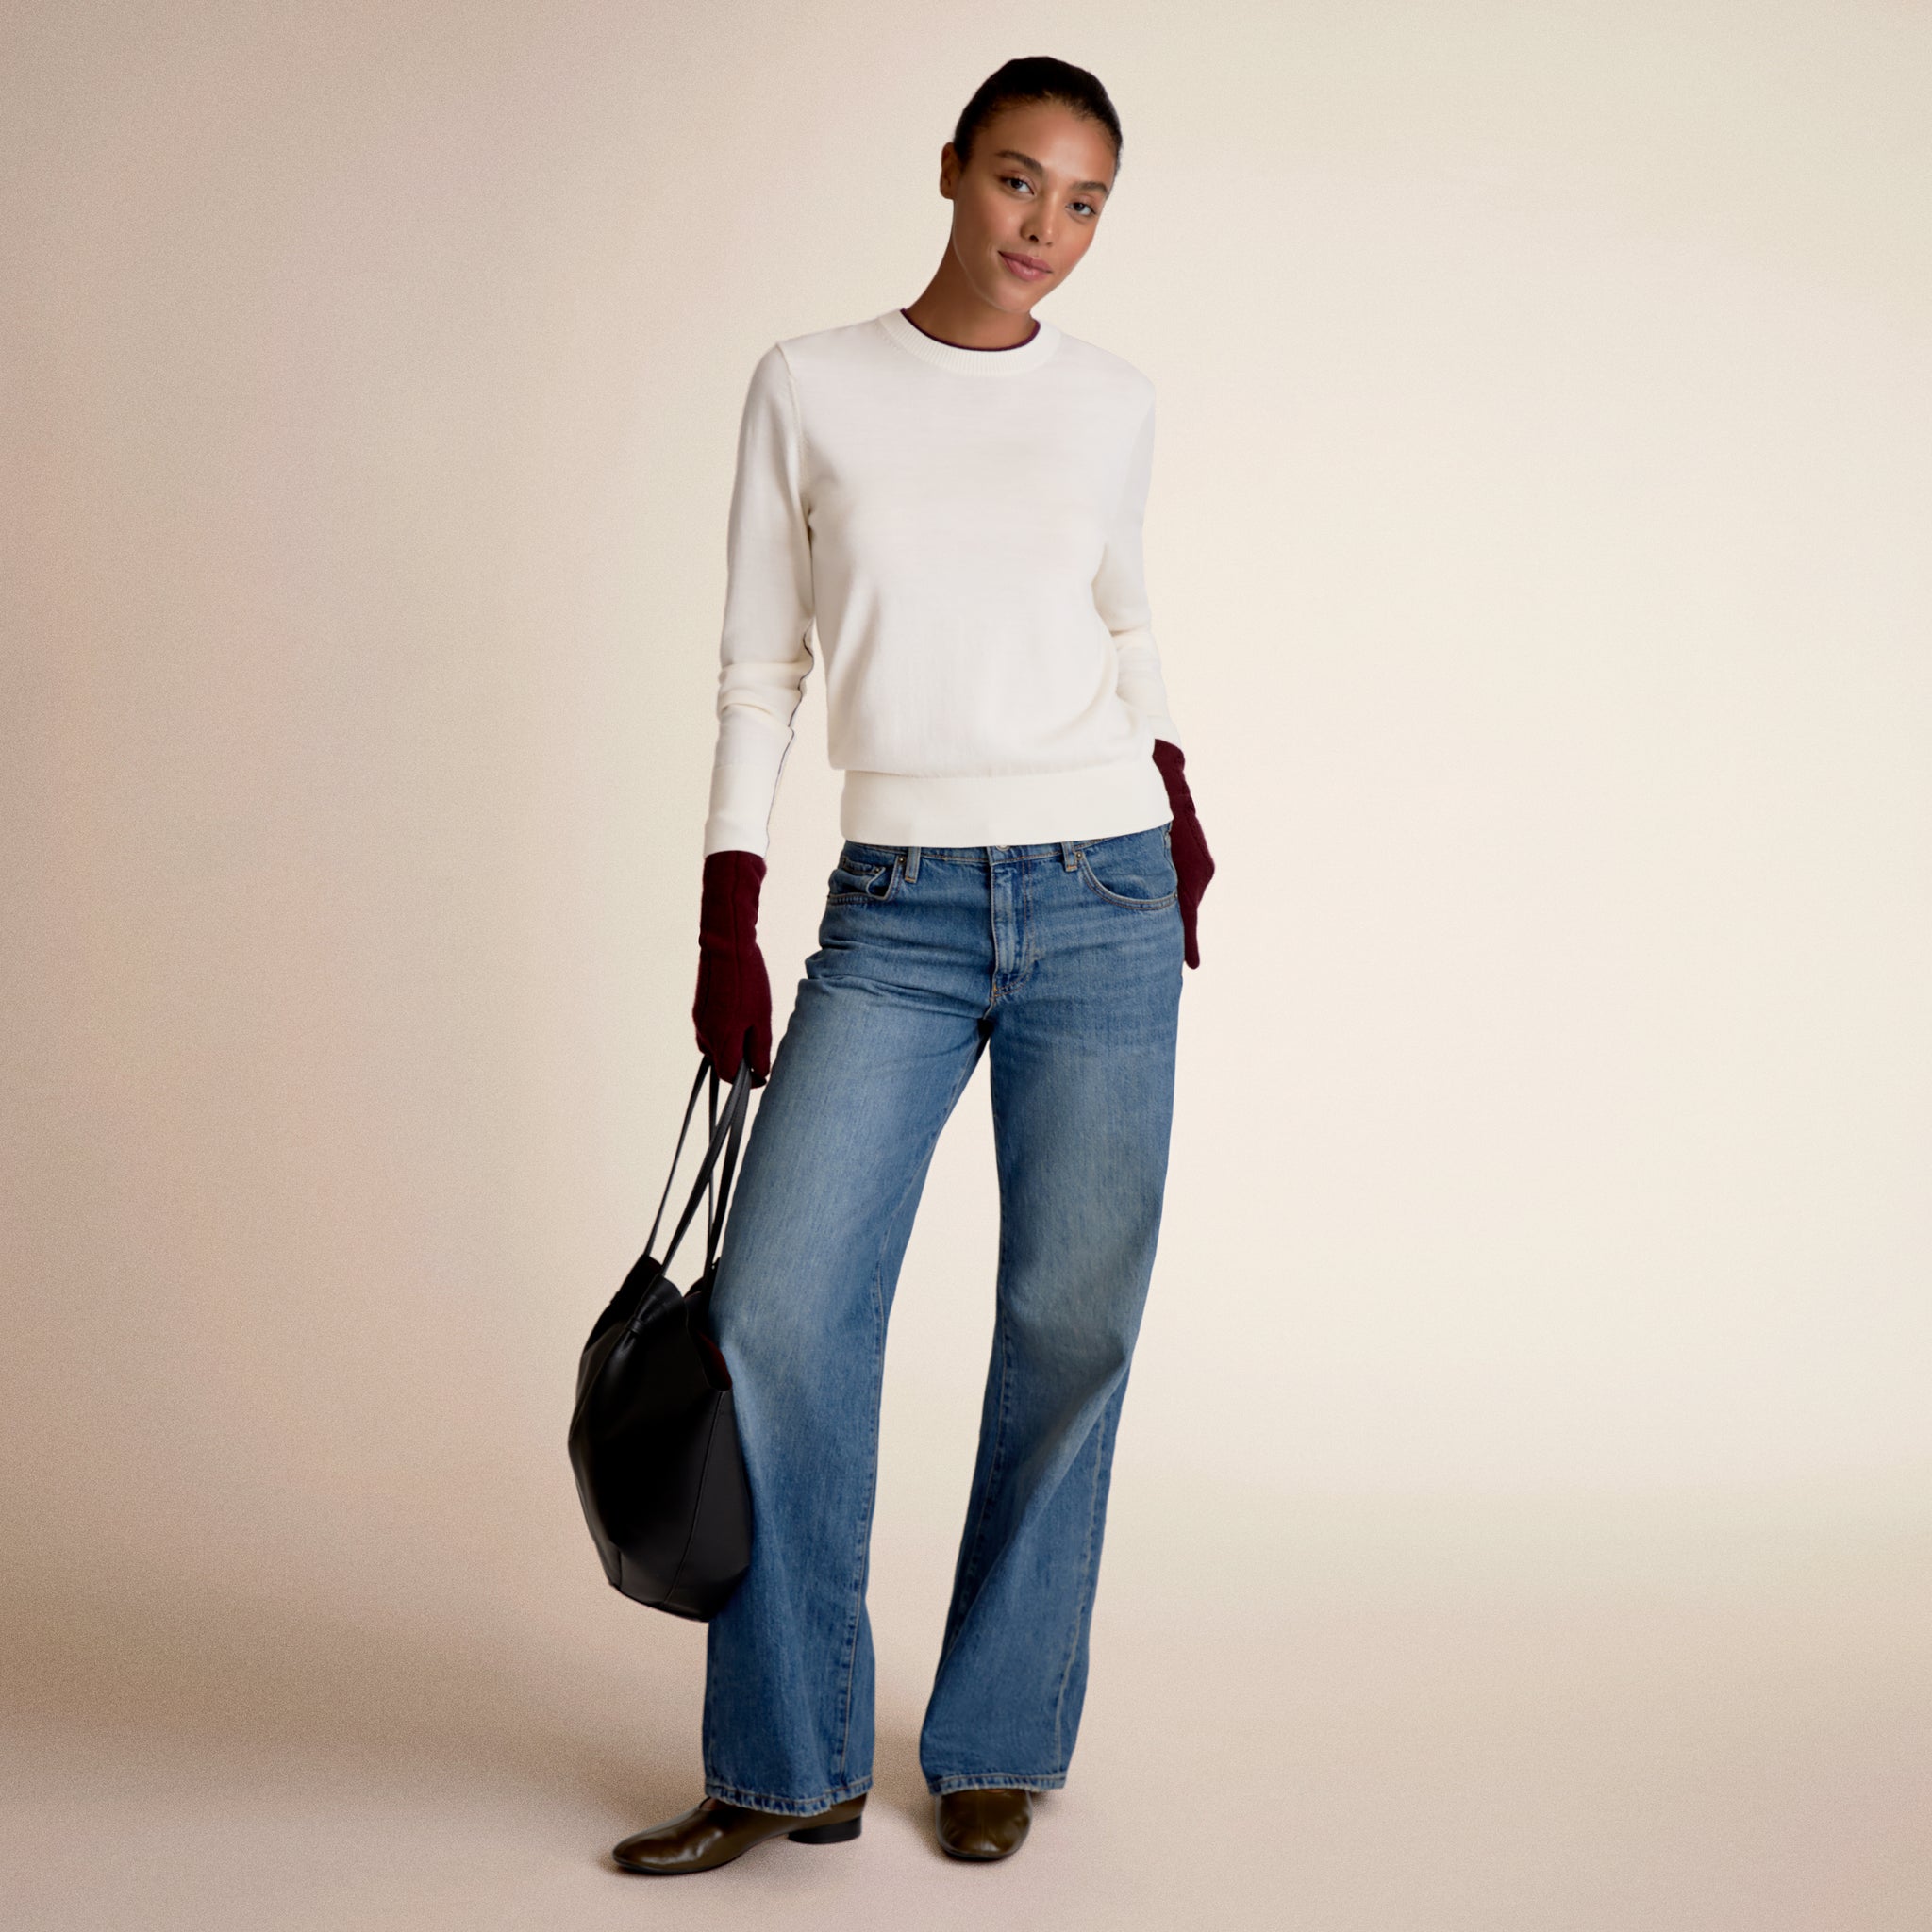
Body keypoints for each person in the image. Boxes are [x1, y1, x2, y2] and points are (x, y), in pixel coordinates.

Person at [612, 56, 1216, 1876]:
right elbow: (758, 664)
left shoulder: (1115, 403)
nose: (1047, 231)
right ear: (952, 171)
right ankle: (784, 1755)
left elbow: (1123, 607)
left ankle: (997, 1735)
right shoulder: (810, 385)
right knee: (778, 1314)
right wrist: (734, 900)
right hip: (896, 906)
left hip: (1105, 890)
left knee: (1069, 1325)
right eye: (1021, 183)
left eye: (1086, 203)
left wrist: (1177, 796)